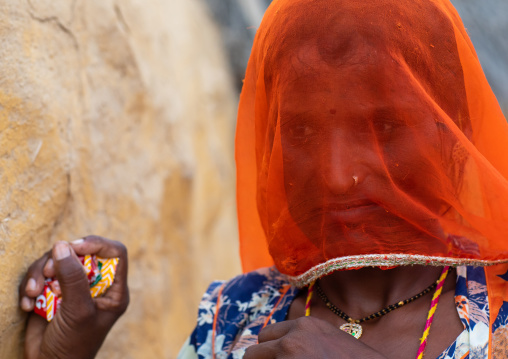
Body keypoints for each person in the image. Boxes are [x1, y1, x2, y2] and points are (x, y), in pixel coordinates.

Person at [19, 0, 508, 358]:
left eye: (383, 128)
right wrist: (69, 353)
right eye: (299, 131)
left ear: (454, 134)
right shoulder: (234, 316)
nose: (337, 177)